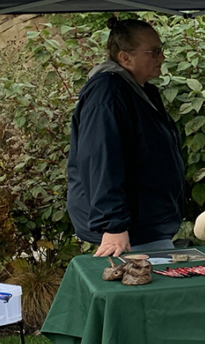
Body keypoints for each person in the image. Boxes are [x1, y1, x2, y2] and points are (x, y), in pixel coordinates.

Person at [67, 17, 186, 257]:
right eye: (154, 52)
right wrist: (113, 225)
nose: (161, 57)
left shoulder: (139, 91)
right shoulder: (107, 95)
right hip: (127, 235)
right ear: (125, 58)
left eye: (160, 50)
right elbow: (102, 159)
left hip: (145, 227)